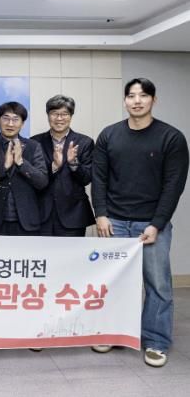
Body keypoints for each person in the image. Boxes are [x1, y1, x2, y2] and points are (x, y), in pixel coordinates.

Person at [91, 78, 189, 367]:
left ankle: (156, 341)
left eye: (143, 96)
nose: (137, 101)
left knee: (157, 285)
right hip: (114, 222)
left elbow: (173, 185)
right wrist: (101, 214)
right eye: (131, 96)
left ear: (153, 100)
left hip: (151, 223)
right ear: (125, 100)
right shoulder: (109, 135)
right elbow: (99, 178)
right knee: (113, 281)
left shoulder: (171, 137)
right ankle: (113, 332)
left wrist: (157, 223)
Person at [31, 95, 95, 236]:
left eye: (64, 114)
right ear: (48, 115)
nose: (59, 118)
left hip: (74, 215)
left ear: (71, 116)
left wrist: (73, 163)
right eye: (54, 113)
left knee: (73, 251)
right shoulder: (35, 142)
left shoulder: (85, 142)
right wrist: (54, 166)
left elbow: (87, 178)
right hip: (41, 214)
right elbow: (33, 178)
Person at [0, 101, 48, 236]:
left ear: (22, 124)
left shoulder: (33, 146)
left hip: (27, 221)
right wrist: (3, 167)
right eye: (6, 118)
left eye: (15, 119)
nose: (10, 124)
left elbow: (42, 182)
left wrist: (21, 163)